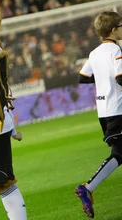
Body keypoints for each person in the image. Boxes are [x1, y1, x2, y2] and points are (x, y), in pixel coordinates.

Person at [75, 11, 122, 219]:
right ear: (113, 30)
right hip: (118, 108)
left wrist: (103, 82)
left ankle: (89, 188)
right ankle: (88, 187)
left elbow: (83, 77)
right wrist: (111, 82)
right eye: (120, 26)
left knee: (120, 153)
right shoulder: (117, 50)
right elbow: (121, 79)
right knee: (119, 154)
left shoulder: (94, 53)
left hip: (104, 110)